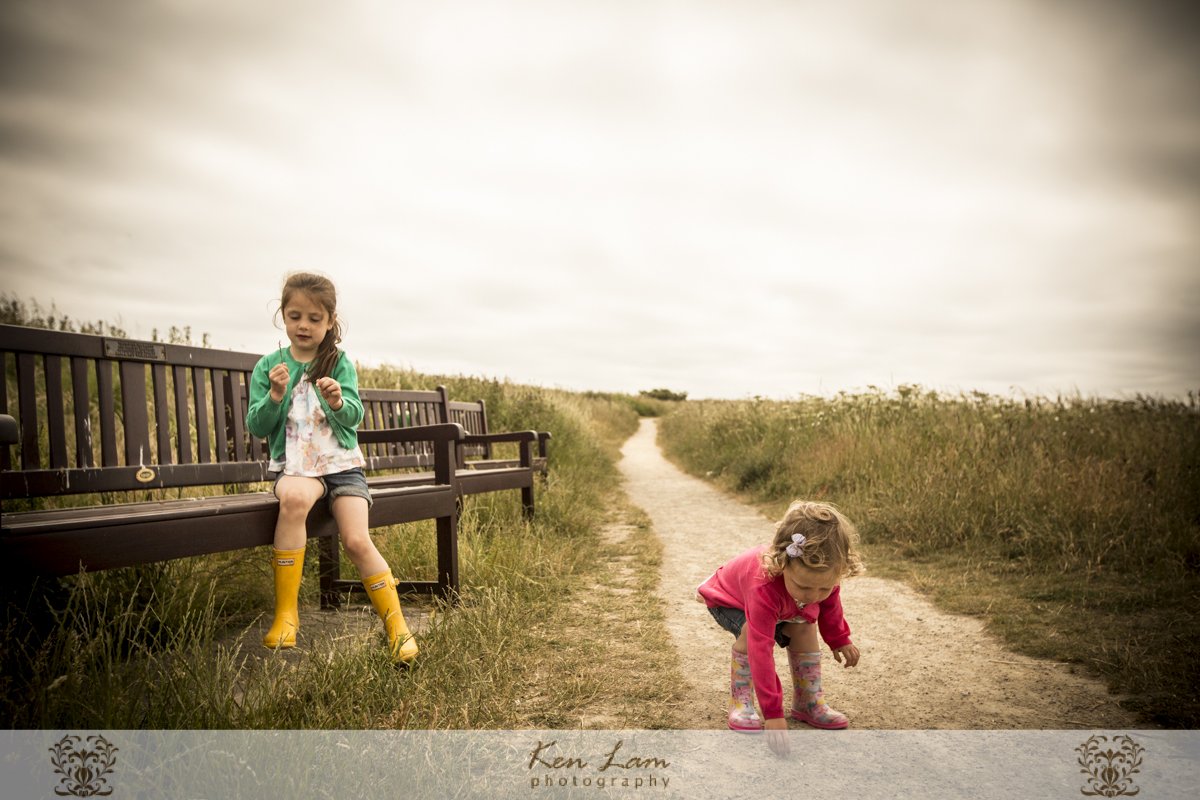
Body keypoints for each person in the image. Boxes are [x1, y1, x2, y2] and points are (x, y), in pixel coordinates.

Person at [246, 271, 418, 663]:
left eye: (314, 318)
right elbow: (257, 426)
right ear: (283, 316)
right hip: (297, 467)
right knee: (291, 497)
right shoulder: (269, 367)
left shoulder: (338, 363)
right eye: (295, 316)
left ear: (329, 322)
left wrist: (339, 401)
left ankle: (397, 626)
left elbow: (353, 417)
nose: (303, 325)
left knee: (357, 539)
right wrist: (274, 395)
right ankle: (287, 615)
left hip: (342, 467)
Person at [697, 500, 864, 752]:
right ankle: (741, 702)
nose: (814, 595)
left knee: (805, 626)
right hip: (729, 600)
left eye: (824, 587)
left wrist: (840, 638)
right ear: (783, 564)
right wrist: (773, 713)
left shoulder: (821, 576)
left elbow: (829, 606)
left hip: (782, 604)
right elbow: (761, 651)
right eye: (804, 586)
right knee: (749, 633)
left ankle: (808, 701)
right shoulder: (763, 587)